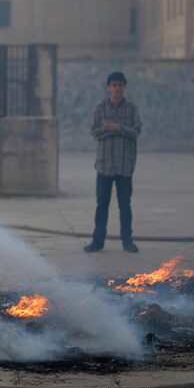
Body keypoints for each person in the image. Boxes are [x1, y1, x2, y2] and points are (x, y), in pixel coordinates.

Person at [85, 71, 142, 253]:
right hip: (105, 165)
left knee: (125, 205)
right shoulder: (100, 108)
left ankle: (127, 241)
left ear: (124, 87)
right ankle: (97, 241)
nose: (117, 88)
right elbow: (94, 131)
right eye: (114, 85)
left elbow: (136, 131)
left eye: (120, 85)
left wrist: (117, 128)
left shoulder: (132, 108)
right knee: (102, 205)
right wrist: (112, 130)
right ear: (108, 87)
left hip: (125, 165)